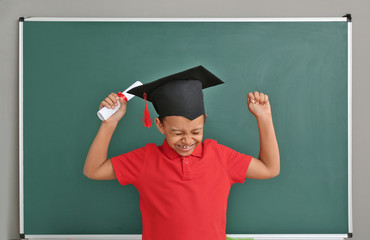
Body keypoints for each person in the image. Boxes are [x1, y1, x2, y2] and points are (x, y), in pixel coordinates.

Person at [83, 65, 280, 240]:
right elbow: (93, 170)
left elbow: (269, 169)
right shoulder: (145, 159)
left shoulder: (220, 156)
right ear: (160, 125)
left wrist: (264, 118)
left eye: (196, 132)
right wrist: (110, 123)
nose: (187, 140)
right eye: (177, 133)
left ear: (204, 121)